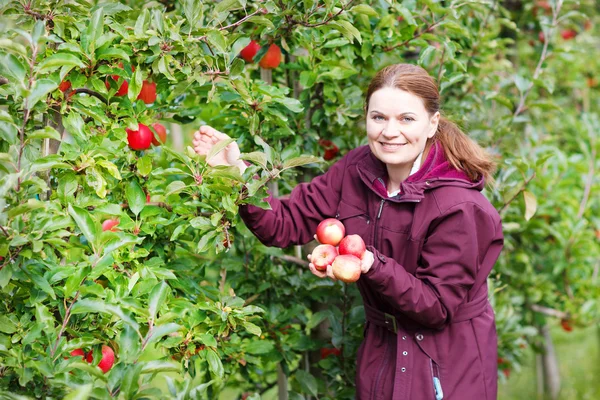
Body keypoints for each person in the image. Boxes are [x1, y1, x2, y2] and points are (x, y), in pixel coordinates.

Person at [192, 63, 503, 400]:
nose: (389, 131)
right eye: (378, 117)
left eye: (406, 119)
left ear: (432, 123)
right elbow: (282, 224)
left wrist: (369, 262)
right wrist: (238, 174)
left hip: (447, 365)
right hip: (382, 353)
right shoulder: (357, 171)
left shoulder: (459, 207)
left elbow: (436, 307)